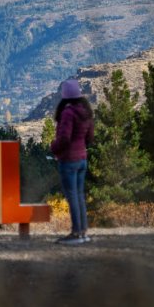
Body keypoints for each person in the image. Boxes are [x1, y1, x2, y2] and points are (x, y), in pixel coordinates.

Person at [50, 79, 94, 245]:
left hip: (69, 160)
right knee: (80, 196)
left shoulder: (68, 113)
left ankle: (76, 233)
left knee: (72, 197)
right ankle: (83, 232)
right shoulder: (86, 112)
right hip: (82, 159)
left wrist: (53, 148)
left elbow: (64, 139)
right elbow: (89, 137)